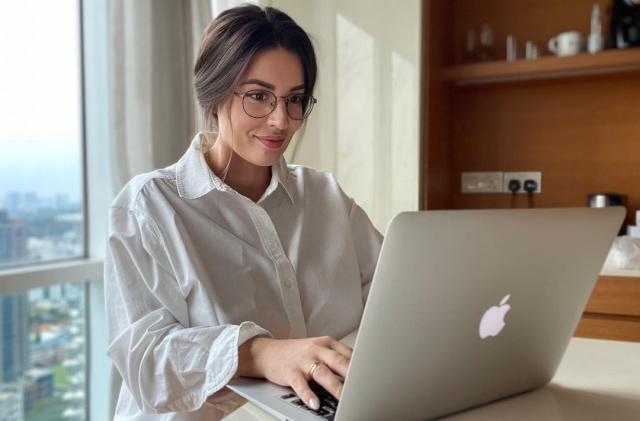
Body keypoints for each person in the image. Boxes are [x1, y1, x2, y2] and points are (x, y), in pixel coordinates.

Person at [105, 5, 382, 420]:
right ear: (214, 92)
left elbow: (394, 295)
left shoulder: (326, 197)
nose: (281, 120)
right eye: (258, 96)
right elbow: (146, 359)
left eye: (295, 100)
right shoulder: (148, 206)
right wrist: (262, 354)